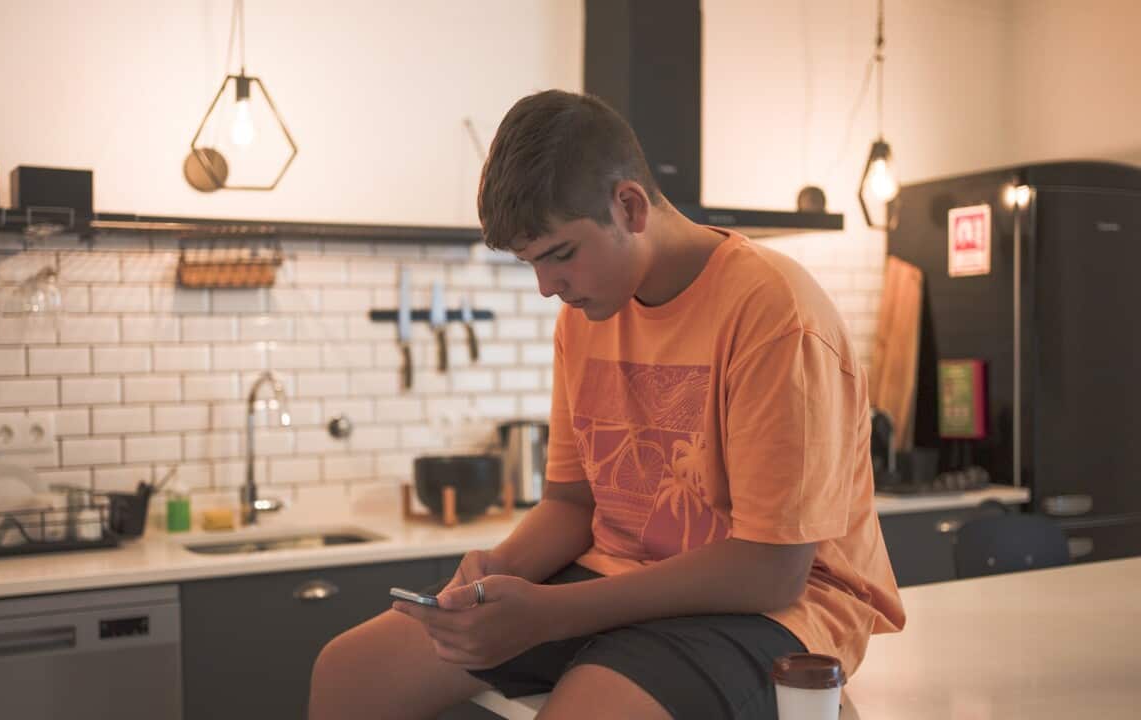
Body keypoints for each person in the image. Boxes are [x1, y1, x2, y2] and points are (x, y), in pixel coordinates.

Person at [309, 89, 905, 720]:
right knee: (349, 672)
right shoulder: (585, 315)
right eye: (530, 265)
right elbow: (572, 504)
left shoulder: (775, 312)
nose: (546, 289)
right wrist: (497, 571)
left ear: (629, 207)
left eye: (559, 256)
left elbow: (771, 570)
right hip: (615, 579)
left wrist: (548, 615)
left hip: (777, 609)